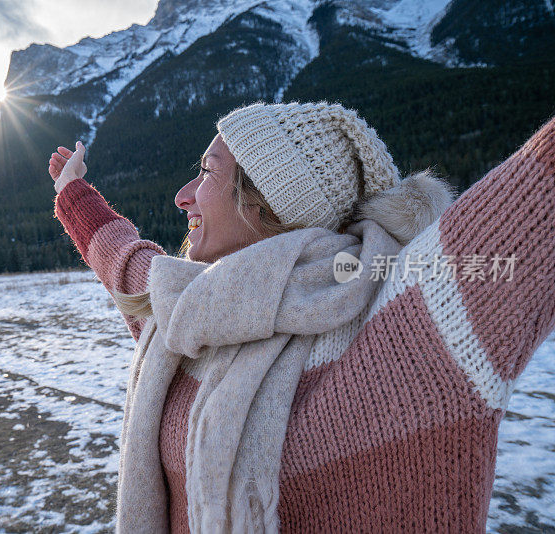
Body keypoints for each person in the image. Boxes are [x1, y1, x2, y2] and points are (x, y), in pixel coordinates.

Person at [48, 101, 555, 533]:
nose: (182, 195)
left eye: (206, 172)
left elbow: (535, 202)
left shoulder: (408, 329)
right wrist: (74, 196)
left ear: (266, 200)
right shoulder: (189, 311)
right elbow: (124, 259)